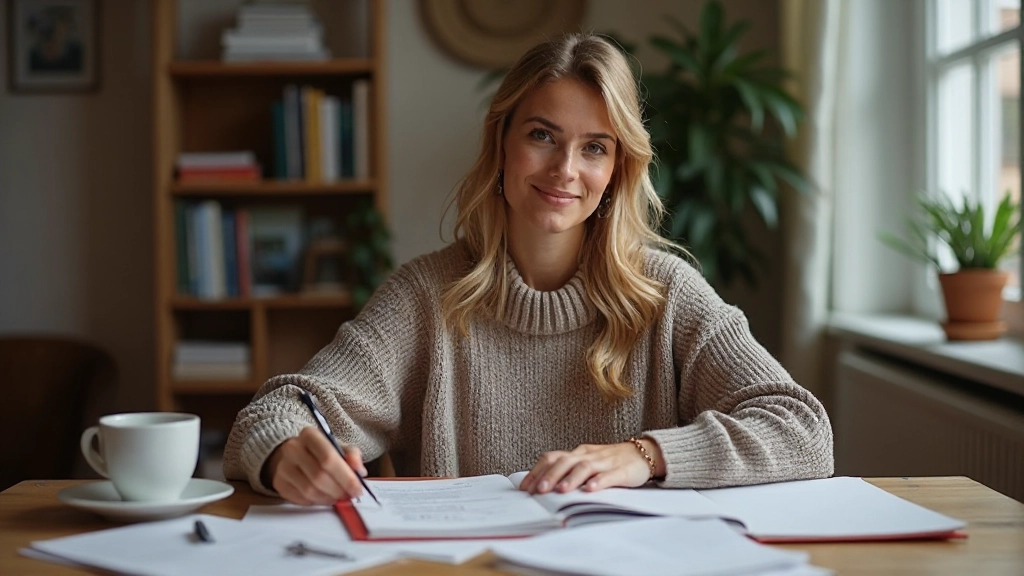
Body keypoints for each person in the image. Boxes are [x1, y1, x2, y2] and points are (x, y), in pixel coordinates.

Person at [223, 33, 834, 505]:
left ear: (617, 169)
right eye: (543, 135)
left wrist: (642, 456)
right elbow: (275, 413)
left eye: (595, 146)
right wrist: (283, 452)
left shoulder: (667, 292)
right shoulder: (425, 296)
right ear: (502, 144)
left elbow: (802, 430)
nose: (566, 168)